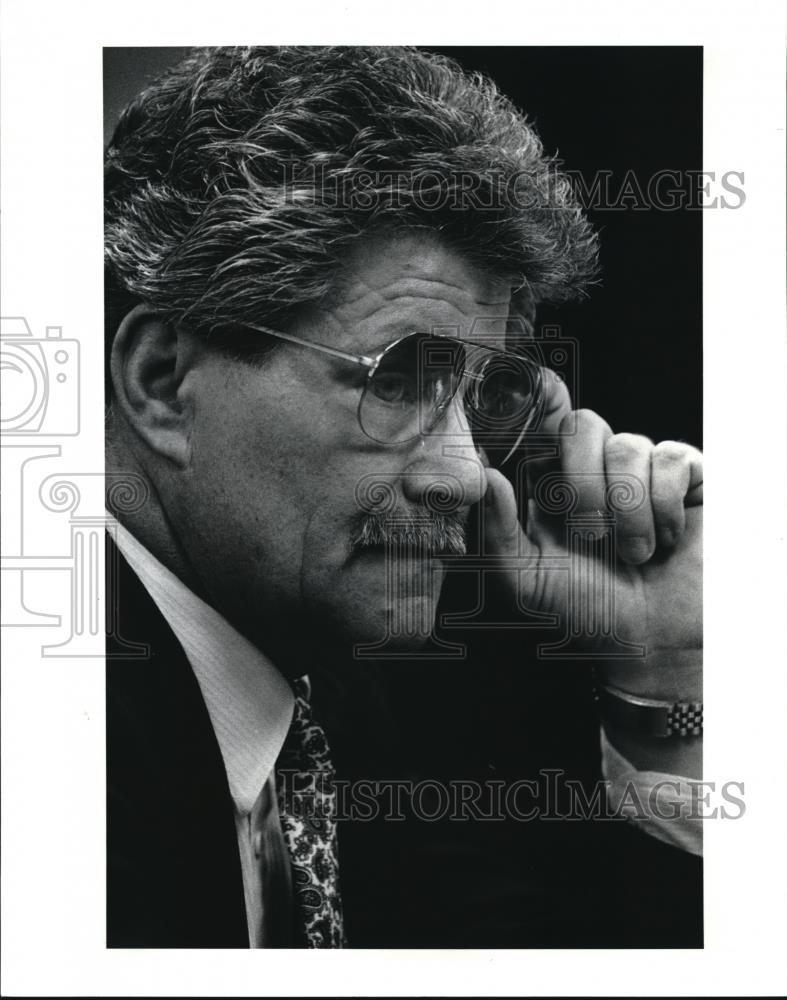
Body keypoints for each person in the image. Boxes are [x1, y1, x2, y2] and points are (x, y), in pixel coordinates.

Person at [104, 45, 703, 949]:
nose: (463, 476)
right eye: (396, 381)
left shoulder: (364, 697)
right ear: (160, 383)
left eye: (485, 395)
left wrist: (662, 675)